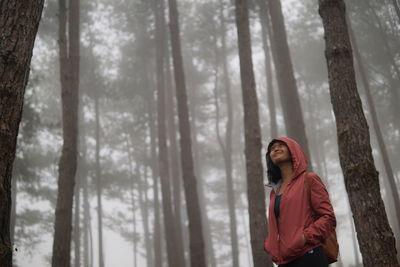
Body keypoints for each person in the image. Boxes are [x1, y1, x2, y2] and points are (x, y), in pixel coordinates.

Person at [263, 137, 336, 266]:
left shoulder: (309, 179)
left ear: (293, 151)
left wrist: (305, 237)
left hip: (309, 255)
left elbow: (328, 217)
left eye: (281, 145)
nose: (275, 149)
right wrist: (270, 245)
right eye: (272, 149)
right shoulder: (274, 192)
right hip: (284, 261)